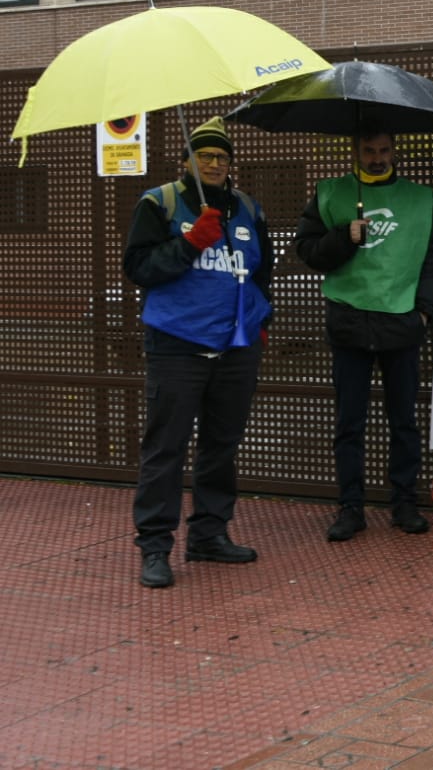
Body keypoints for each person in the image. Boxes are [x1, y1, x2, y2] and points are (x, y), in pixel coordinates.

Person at [123, 116, 273, 589]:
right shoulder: (160, 203)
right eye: (204, 156)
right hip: (177, 346)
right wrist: (188, 243)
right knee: (165, 448)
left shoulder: (247, 208)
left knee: (220, 446)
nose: (213, 164)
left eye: (221, 158)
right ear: (186, 160)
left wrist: (258, 319)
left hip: (235, 347)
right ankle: (154, 546)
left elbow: (261, 273)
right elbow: (139, 268)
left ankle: (209, 533)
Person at [295, 129, 433, 541]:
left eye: (384, 150)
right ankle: (351, 509)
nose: (377, 157)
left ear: (394, 151)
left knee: (403, 422)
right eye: (369, 149)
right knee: (350, 424)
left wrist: (423, 312)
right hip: (349, 322)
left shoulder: (420, 199)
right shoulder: (330, 193)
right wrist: (342, 237)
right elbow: (307, 251)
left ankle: (403, 503)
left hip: (401, 323)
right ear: (355, 149)